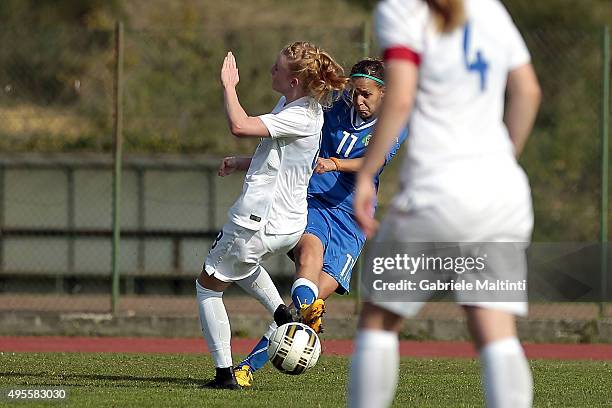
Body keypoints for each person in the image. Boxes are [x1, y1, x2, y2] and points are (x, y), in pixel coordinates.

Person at [349, 1, 541, 407]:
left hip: (437, 194)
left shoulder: (402, 8)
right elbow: (528, 91)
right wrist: (503, 158)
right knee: (495, 328)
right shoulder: (489, 8)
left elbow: (399, 98)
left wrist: (367, 174)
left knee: (379, 321)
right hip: (502, 194)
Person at [227, 59, 408, 388]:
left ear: (384, 93)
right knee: (308, 258)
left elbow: (374, 161)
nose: (358, 101)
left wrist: (335, 163)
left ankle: (261, 354)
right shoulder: (335, 102)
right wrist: (246, 162)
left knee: (303, 305)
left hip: (351, 217)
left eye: (366, 95)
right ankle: (247, 369)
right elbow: (294, 133)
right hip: (310, 203)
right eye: (354, 93)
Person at [196, 41, 347, 389]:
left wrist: (229, 87)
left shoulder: (300, 114)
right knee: (243, 266)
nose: (271, 72)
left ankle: (224, 376)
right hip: (289, 223)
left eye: (277, 68)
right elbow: (286, 162)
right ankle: (284, 314)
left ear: (294, 80)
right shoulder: (299, 107)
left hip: (258, 221)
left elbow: (239, 125)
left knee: (208, 287)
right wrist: (240, 163)